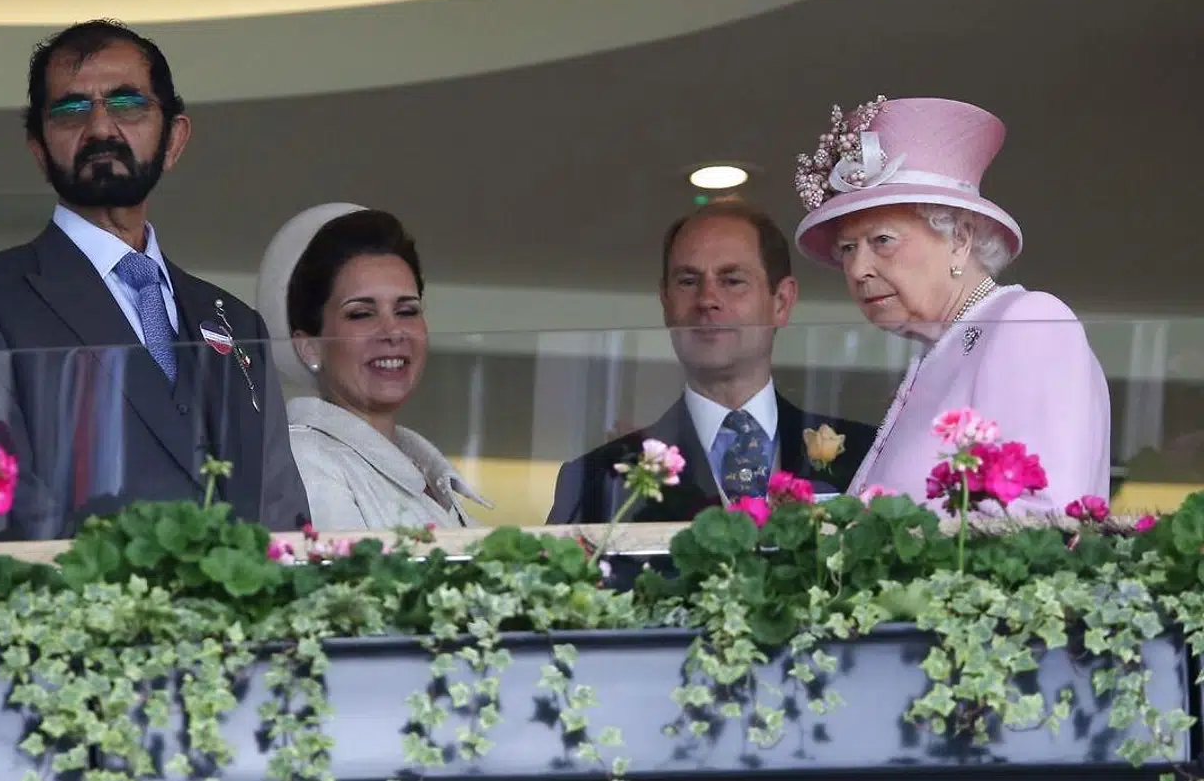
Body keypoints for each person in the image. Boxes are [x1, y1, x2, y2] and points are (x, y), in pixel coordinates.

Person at [0, 19, 309, 539]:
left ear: (174, 139)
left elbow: (283, 517)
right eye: (71, 109)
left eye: (127, 105)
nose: (101, 128)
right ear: (39, 149)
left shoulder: (237, 322)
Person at [792, 95, 1110, 514]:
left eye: (882, 241)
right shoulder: (941, 351)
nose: (858, 269)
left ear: (959, 239)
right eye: (848, 248)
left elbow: (1041, 519)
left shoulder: (1028, 321)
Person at [547, 199, 877, 525]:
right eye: (688, 282)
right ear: (666, 303)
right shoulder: (595, 479)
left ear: (782, 301)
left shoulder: (869, 455)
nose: (707, 300)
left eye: (732, 281)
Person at [256, 203, 490, 531]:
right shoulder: (307, 461)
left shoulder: (421, 467)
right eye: (361, 314)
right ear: (309, 345)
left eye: (407, 311)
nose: (392, 332)